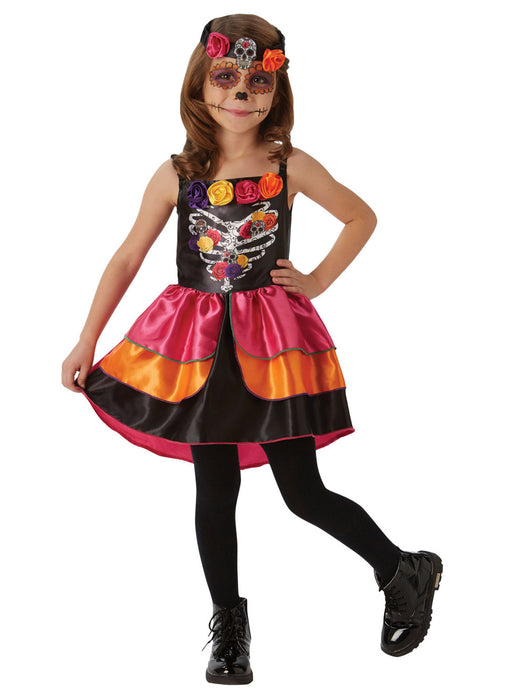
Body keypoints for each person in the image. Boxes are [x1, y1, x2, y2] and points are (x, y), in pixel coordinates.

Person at [61, 14, 443, 685]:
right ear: (198, 86)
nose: (241, 93)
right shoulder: (176, 173)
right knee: (214, 489)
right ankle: (229, 626)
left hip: (270, 345)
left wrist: (317, 280)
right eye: (226, 77)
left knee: (302, 491)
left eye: (258, 81)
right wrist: (87, 337)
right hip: (197, 349)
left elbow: (361, 216)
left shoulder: (287, 165)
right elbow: (127, 257)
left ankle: (401, 569)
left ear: (276, 90)